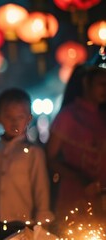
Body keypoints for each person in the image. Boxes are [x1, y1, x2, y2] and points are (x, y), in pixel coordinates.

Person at [46, 48, 106, 233]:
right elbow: (50, 158)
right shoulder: (68, 116)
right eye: (101, 84)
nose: (105, 89)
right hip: (73, 201)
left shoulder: (103, 117)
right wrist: (79, 178)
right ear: (86, 82)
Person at [0, 88, 54, 240]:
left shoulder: (33, 152)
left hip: (21, 224)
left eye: (20, 117)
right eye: (9, 117)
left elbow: (41, 188)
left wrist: (42, 222)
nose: (14, 122)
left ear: (28, 118)